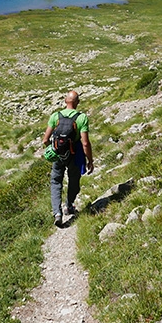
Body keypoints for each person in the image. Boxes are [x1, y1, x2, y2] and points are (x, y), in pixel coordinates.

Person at [42, 90, 94, 226]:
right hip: (74, 154)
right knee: (74, 180)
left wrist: (53, 149)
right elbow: (85, 143)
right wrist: (90, 161)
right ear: (77, 102)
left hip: (58, 154)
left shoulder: (55, 116)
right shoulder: (81, 118)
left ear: (65, 101)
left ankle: (57, 213)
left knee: (55, 182)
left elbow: (45, 139)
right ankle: (69, 205)